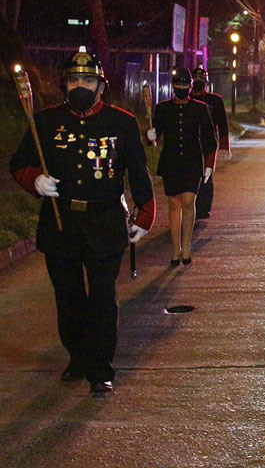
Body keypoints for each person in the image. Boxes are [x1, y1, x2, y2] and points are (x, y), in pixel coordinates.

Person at [9, 47, 155, 394]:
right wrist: (35, 180)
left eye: (87, 79)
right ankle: (77, 355)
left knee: (102, 299)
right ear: (65, 84)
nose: (80, 86)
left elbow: (137, 171)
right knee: (69, 298)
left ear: (101, 86)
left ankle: (100, 365)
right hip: (61, 225)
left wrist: (145, 214)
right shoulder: (44, 121)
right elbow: (18, 163)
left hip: (104, 222)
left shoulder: (121, 122)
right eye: (74, 79)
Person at [147, 67, 217, 266]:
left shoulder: (200, 108)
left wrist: (209, 165)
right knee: (173, 204)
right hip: (171, 162)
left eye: (185, 85)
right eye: (178, 85)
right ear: (173, 86)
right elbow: (155, 136)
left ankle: (186, 247)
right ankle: (175, 249)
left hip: (192, 161)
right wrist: (150, 135)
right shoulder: (162, 109)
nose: (181, 88)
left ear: (190, 86)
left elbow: (210, 140)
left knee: (188, 201)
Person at [189, 67, 230, 219]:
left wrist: (225, 146)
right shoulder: (185, 100)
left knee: (206, 177)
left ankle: (202, 208)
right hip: (189, 143)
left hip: (208, 143)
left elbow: (222, 124)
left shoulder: (215, 101)